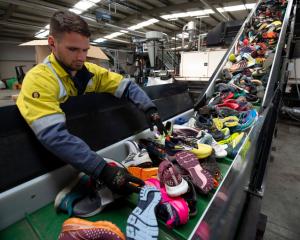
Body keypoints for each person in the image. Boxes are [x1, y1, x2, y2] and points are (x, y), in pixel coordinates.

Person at [16, 10, 166, 195]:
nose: (81, 57)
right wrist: (102, 170)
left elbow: (127, 86)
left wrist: (150, 108)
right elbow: (55, 136)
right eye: (73, 49)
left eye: (85, 50)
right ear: (52, 43)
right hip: (46, 166)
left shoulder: (89, 72)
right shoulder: (39, 80)